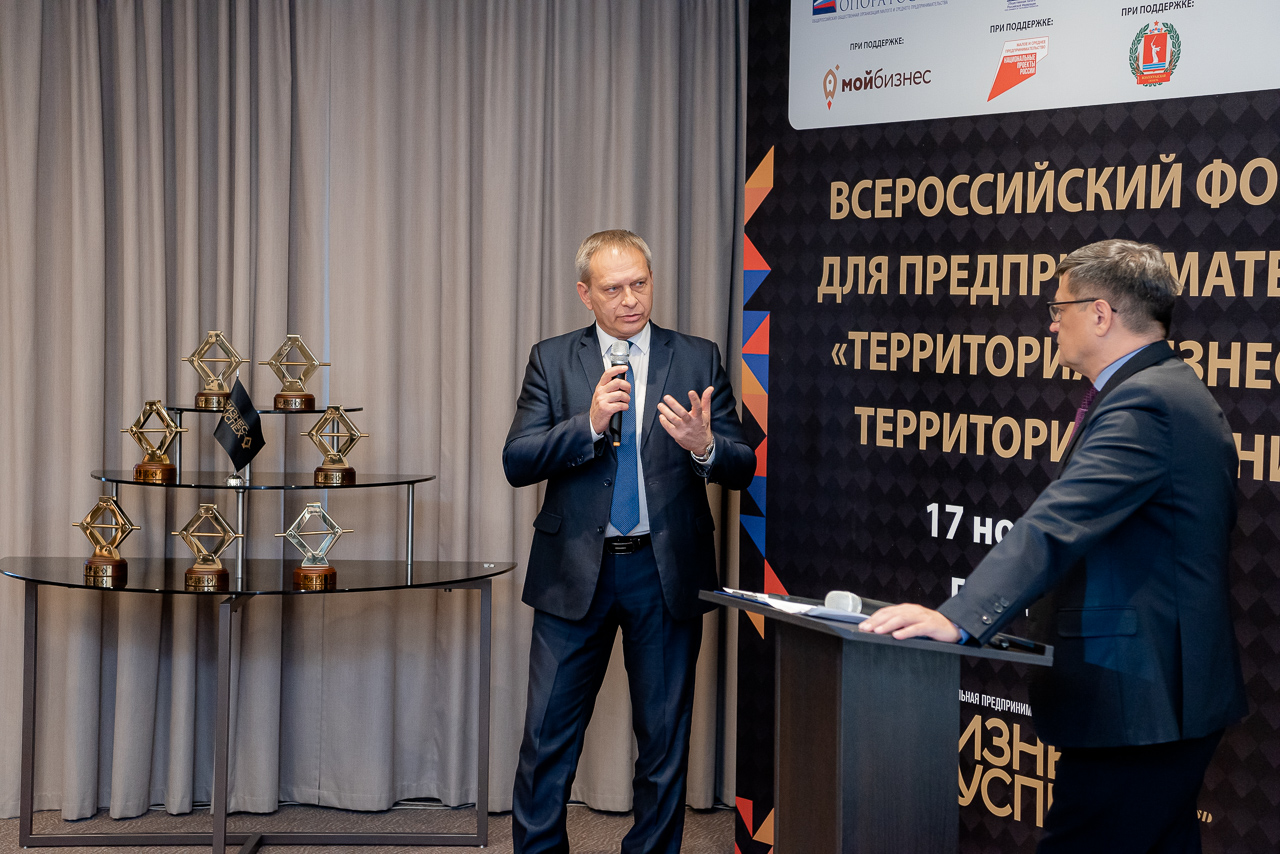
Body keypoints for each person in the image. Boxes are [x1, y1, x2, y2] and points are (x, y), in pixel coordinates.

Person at [859, 239, 1248, 852]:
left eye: (1058, 308)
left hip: (1138, 702)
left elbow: (1059, 521)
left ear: (1100, 314)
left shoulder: (1148, 402)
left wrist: (959, 617)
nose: (1050, 323)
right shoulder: (1163, 390)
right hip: (1158, 699)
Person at [503, 229, 756, 854]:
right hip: (573, 574)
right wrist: (587, 424)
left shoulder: (696, 357)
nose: (631, 300)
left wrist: (705, 447)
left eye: (640, 284)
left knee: (664, 744)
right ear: (585, 294)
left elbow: (743, 463)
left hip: (664, 572)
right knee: (546, 743)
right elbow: (518, 460)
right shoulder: (552, 360)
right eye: (613, 289)